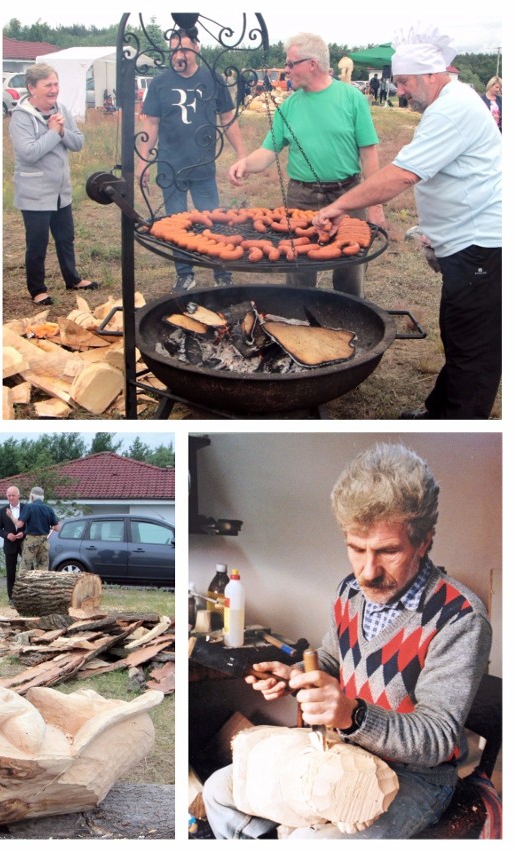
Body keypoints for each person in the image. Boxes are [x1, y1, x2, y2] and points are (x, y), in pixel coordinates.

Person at [202, 443, 492, 839]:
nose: (368, 571)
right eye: (356, 549)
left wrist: (352, 716)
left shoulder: (460, 617)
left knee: (309, 842)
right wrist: (295, 678)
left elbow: (438, 739)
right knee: (219, 790)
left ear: (424, 542)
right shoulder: (351, 592)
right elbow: (332, 661)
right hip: (342, 753)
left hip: (415, 777)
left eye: (388, 551)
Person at [314, 25, 501, 420]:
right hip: (467, 243)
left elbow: (401, 175)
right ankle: (440, 411)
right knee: (461, 336)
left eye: (403, 82)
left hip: (482, 246)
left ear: (431, 76)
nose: (398, 90)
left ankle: (457, 424)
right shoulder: (451, 101)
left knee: (474, 348)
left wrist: (338, 208)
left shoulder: (453, 108)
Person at [229, 32, 386, 297]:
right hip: (301, 197)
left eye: (291, 64)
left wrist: (375, 206)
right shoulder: (288, 106)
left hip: (348, 194)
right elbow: (268, 152)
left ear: (312, 64)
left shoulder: (352, 98)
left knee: (350, 266)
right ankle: (297, 318)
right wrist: (245, 163)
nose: (287, 70)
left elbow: (368, 154)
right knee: (298, 266)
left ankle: (348, 316)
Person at [139, 26, 247, 292]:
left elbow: (227, 119)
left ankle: (221, 271)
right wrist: (141, 165)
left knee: (214, 220)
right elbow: (150, 125)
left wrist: (242, 155)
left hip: (203, 166)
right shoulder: (160, 83)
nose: (179, 55)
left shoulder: (213, 79)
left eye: (185, 49)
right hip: (169, 166)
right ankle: (185, 273)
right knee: (177, 223)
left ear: (197, 48)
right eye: (175, 50)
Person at [10, 62, 99, 306]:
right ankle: (37, 289)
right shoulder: (20, 117)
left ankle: (73, 279)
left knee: (66, 237)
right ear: (32, 88)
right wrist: (52, 132)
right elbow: (29, 153)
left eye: (56, 84)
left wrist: (61, 132)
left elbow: (78, 142)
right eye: (48, 85)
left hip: (61, 190)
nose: (54, 89)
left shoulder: (61, 109)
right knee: (37, 243)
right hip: (35, 192)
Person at [14, 486, 61, 573]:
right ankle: (40, 585)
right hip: (44, 540)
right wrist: (49, 526)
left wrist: (11, 516)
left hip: (31, 540)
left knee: (25, 565)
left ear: (32, 496)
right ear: (42, 497)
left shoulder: (29, 507)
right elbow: (57, 528)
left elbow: (19, 524)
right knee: (42, 567)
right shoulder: (49, 509)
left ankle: (23, 585)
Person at [0, 485, 24, 603]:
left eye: (13, 495)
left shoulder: (26, 509)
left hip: (23, 544)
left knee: (27, 570)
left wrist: (24, 533)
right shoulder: (3, 510)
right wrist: (7, 535)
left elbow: (31, 526)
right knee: (10, 572)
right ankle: (11, 598)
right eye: (9, 496)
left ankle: (26, 596)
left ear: (18, 496)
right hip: (10, 545)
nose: (11, 498)